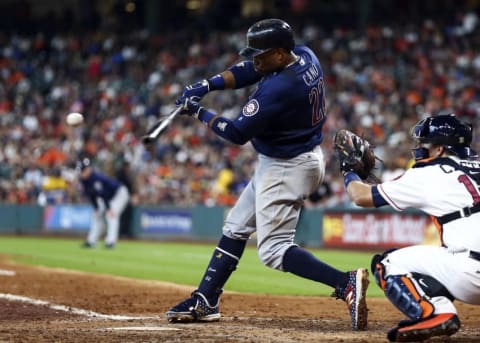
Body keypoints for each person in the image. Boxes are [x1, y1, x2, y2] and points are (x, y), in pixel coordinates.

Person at [165, 18, 369, 331]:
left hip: (288, 167)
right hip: (292, 158)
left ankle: (345, 283)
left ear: (278, 53)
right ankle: (205, 300)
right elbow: (250, 70)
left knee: (273, 251)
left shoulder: (280, 88)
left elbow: (236, 133)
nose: (254, 60)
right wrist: (209, 84)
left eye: (261, 54)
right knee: (235, 226)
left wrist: (198, 111)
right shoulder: (304, 55)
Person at [339, 113, 480, 341]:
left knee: (387, 263)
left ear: (440, 149)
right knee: (441, 256)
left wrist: (349, 170)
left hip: (472, 275)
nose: (421, 148)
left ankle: (435, 312)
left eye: (426, 144)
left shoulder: (428, 172)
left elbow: (361, 196)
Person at [77, 157, 130, 249]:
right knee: (96, 215)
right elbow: (92, 195)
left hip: (120, 193)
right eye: (81, 170)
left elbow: (104, 194)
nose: (81, 172)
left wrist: (108, 208)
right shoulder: (84, 180)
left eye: (83, 170)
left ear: (88, 169)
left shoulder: (96, 177)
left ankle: (111, 242)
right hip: (109, 197)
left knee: (111, 215)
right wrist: (96, 207)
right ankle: (91, 241)